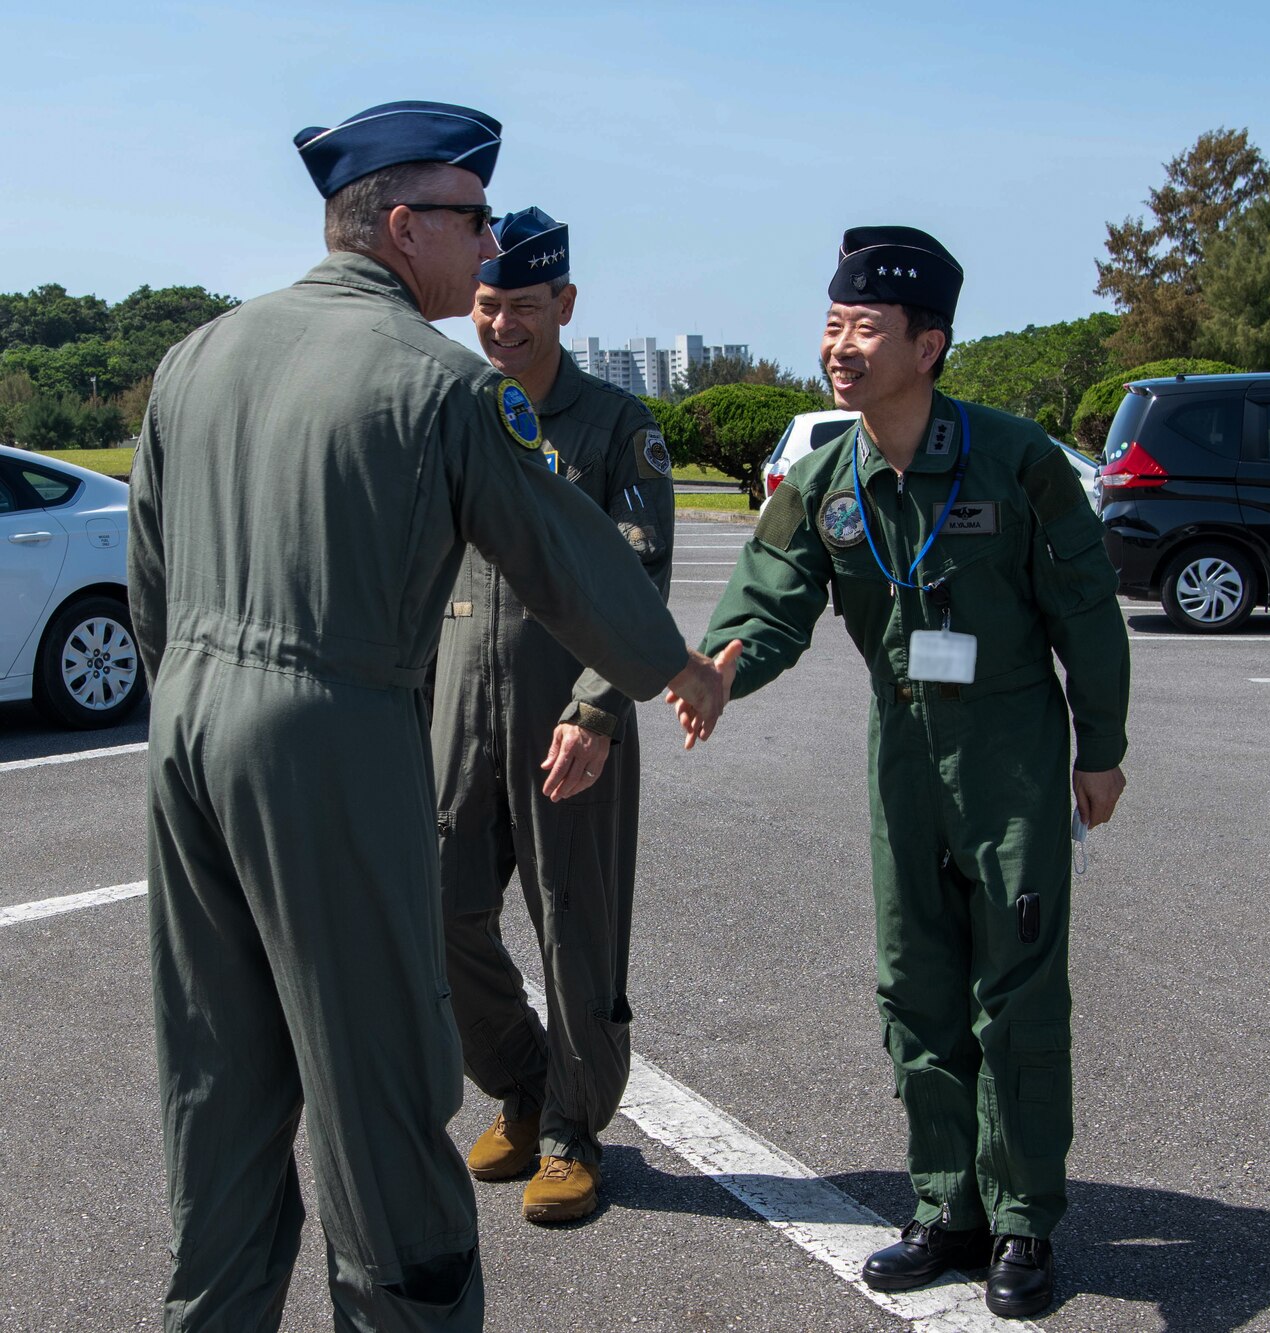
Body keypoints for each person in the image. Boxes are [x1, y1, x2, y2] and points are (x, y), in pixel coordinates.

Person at [127, 102, 728, 1329]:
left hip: (185, 733)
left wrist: (206, 707)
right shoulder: (439, 381)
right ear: (404, 227)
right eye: (471, 218)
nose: (486, 242)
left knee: (220, 1078)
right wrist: (676, 664)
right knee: (382, 1082)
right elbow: (568, 555)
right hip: (329, 736)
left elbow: (151, 586)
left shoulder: (200, 354)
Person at [680, 226, 1130, 1320]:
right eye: (832, 325)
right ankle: (945, 1205)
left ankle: (1023, 1218)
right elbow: (771, 594)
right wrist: (722, 666)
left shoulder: (1014, 459)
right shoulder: (826, 475)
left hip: (1010, 750)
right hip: (901, 756)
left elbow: (1085, 610)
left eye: (864, 329)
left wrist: (1100, 746)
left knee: (1015, 989)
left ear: (927, 345)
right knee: (914, 985)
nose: (840, 346)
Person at [433, 207, 683, 1224]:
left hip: (567, 711)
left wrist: (595, 709)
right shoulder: (457, 410)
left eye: (523, 308)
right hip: (457, 701)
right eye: (487, 306)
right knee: (437, 908)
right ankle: (525, 1084)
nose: (501, 327)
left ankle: (576, 1128)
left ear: (565, 305)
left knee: (574, 925)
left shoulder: (616, 429)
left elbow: (635, 572)